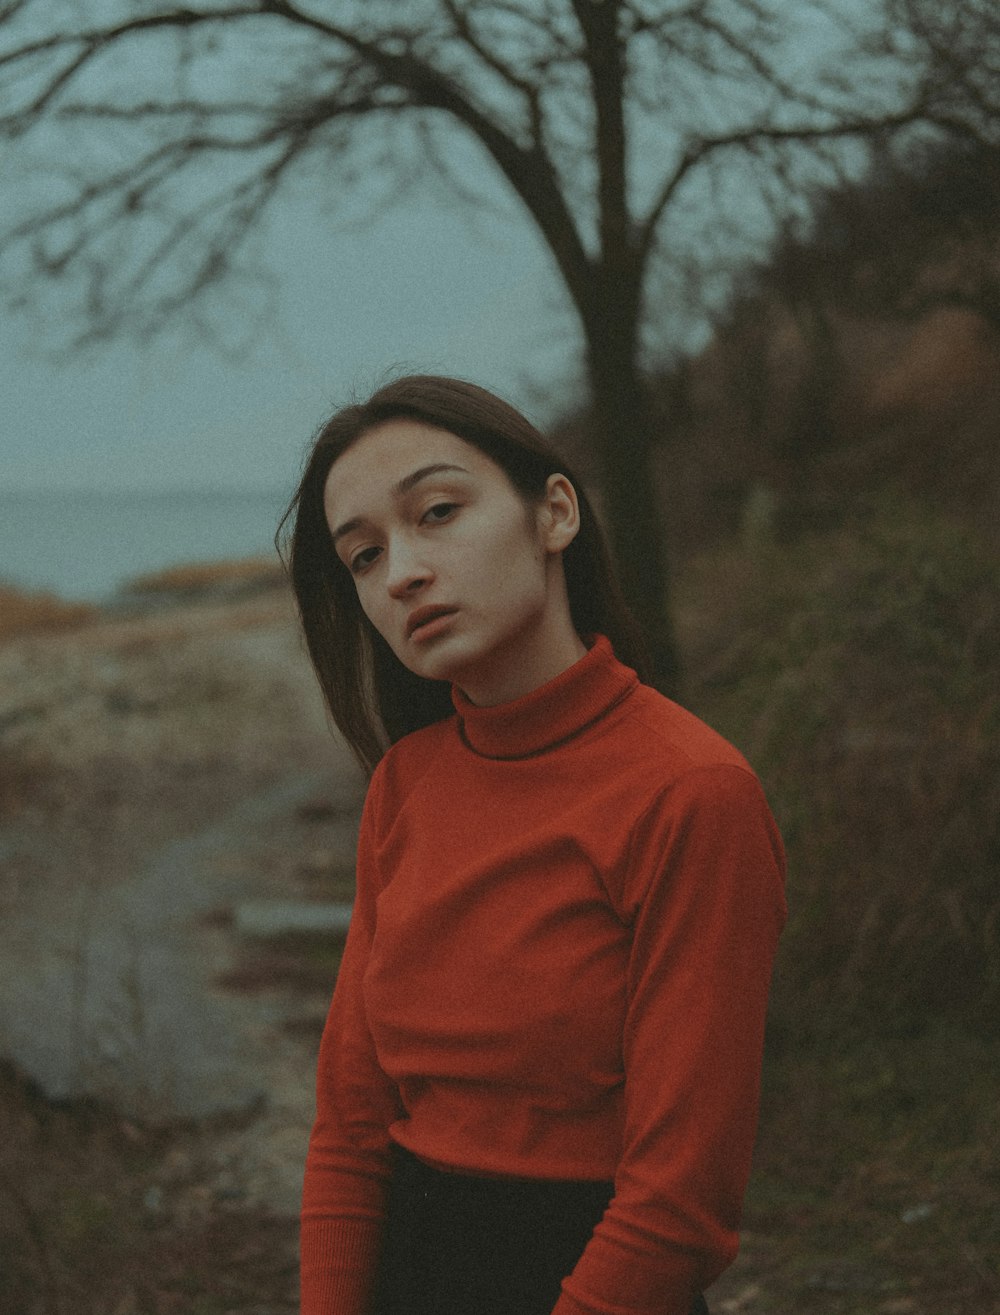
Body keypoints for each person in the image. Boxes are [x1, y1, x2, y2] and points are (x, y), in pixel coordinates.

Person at [281, 375, 786, 1315]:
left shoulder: (690, 792)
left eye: (437, 512)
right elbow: (352, 1128)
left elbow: (679, 1200)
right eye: (363, 555)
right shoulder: (406, 786)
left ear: (554, 513)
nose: (401, 573)